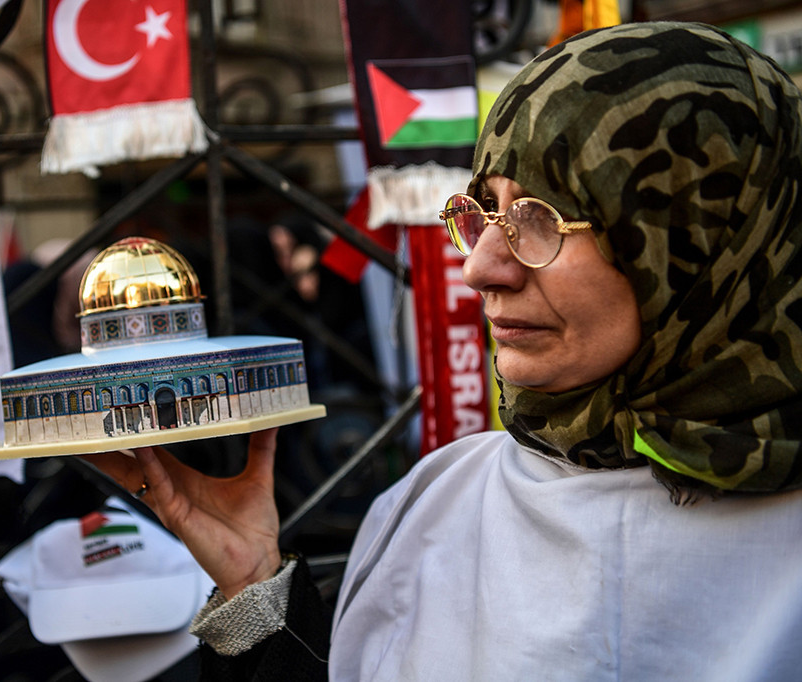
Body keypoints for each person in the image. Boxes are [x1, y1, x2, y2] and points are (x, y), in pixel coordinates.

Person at [84, 21, 802, 680]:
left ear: (702, 240)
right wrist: (253, 591)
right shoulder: (436, 506)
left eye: (538, 216)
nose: (480, 268)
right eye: (484, 211)